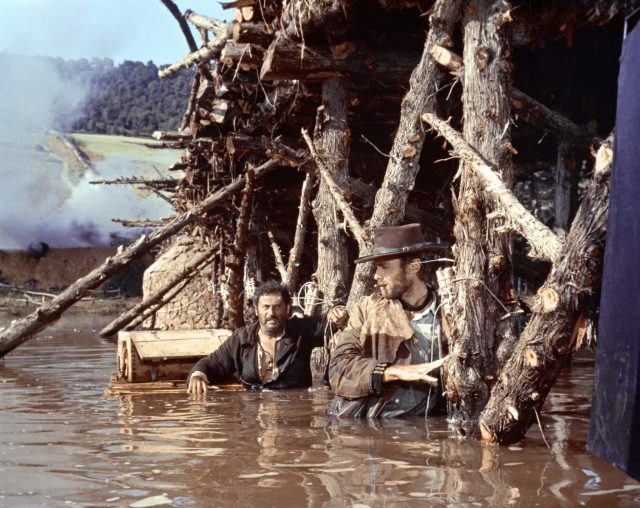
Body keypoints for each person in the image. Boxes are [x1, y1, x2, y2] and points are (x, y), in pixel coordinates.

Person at [328, 223, 447, 418]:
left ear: (413, 267)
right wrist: (392, 372)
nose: (376, 276)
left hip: (426, 430)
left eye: (384, 267)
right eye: (376, 268)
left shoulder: (448, 312)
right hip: (371, 426)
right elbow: (338, 369)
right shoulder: (367, 309)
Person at [187, 280, 345, 394]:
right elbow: (211, 364)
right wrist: (197, 377)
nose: (271, 313)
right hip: (253, 414)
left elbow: (327, 322)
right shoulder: (242, 339)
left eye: (277, 307)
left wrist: (337, 312)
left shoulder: (301, 331)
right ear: (256, 310)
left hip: (294, 415)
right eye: (266, 307)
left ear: (287, 309)